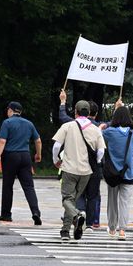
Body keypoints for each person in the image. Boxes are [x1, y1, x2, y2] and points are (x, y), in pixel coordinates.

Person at [52, 100, 106, 241]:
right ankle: (66, 230)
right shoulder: (95, 130)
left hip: (69, 169)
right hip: (86, 172)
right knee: (73, 199)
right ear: (89, 112)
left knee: (67, 199)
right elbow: (101, 151)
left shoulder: (68, 126)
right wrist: (97, 162)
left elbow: (56, 146)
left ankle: (77, 216)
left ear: (75, 111)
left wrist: (56, 159)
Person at [0, 102, 42, 224]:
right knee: (29, 187)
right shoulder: (29, 123)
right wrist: (38, 154)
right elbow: (38, 140)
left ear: (10, 110)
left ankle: (6, 214)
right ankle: (35, 212)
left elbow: (2, 141)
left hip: (10, 156)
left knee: (8, 186)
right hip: (25, 156)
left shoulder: (7, 123)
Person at [103, 107, 133, 240]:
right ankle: (122, 230)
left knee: (112, 201)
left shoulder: (109, 132)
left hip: (112, 173)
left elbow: (100, 135)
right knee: (124, 202)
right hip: (129, 173)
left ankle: (112, 228)